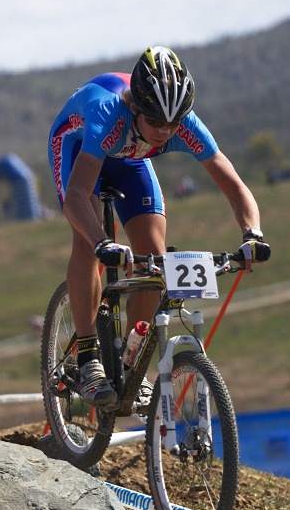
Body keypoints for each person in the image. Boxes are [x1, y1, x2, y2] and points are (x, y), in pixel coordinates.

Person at [48, 45, 268, 409]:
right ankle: (87, 358)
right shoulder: (109, 114)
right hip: (79, 148)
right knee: (88, 243)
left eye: (174, 123)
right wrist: (103, 241)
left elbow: (235, 187)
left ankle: (129, 360)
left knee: (152, 256)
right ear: (136, 107)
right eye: (157, 122)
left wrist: (253, 234)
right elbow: (75, 195)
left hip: (129, 157)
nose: (166, 132)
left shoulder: (183, 124)